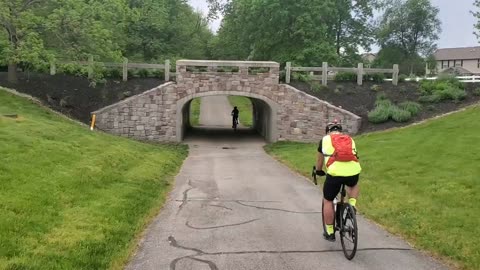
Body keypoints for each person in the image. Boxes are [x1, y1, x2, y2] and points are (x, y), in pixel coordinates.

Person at [316, 120, 361, 242]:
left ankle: (330, 232)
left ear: (328, 131)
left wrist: (318, 171)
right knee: (354, 184)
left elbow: (319, 162)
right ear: (340, 131)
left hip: (335, 174)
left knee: (328, 200)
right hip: (353, 170)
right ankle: (352, 205)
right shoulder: (349, 139)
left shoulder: (324, 140)